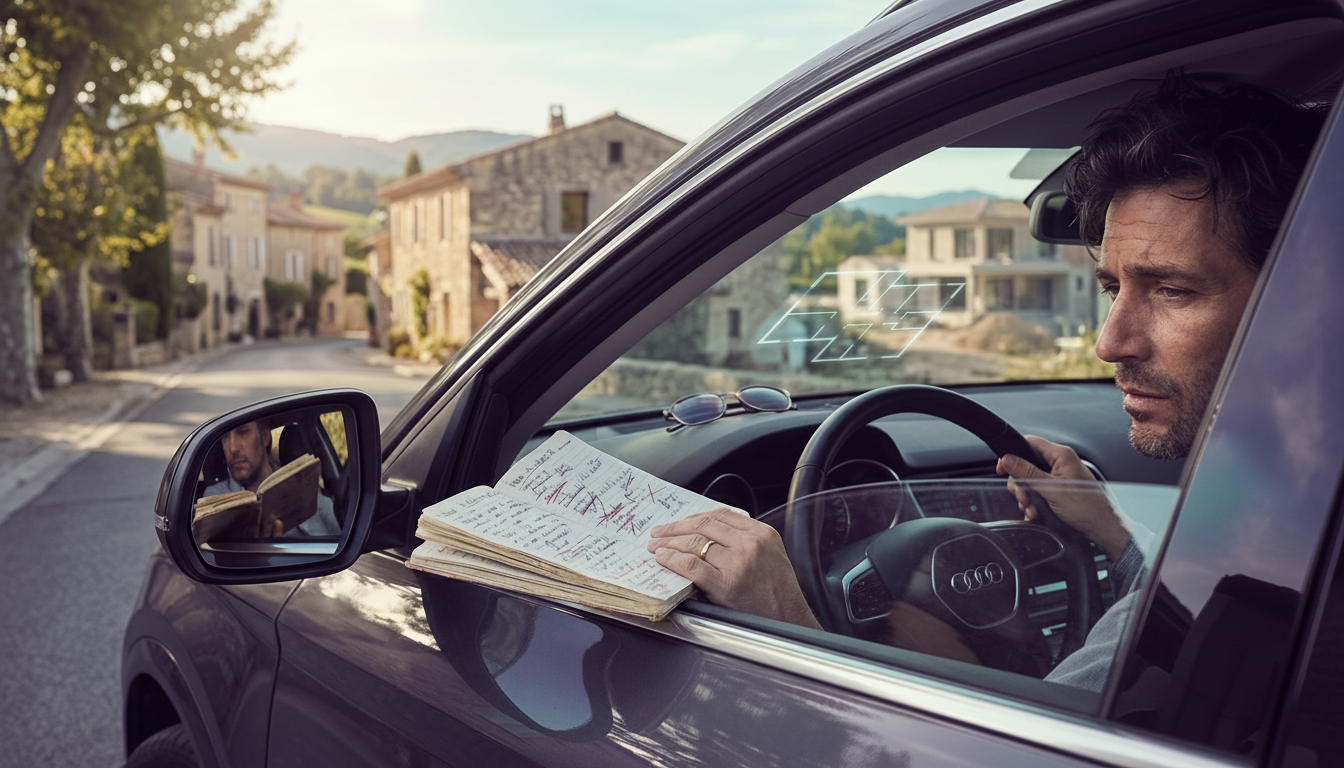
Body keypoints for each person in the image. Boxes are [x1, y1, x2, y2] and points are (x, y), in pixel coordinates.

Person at [646, 73, 1326, 686]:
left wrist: (789, 619)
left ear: (1308, 298)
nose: (1107, 342)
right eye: (1111, 287)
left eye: (1172, 289)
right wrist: (1115, 534)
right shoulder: (1288, 510)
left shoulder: (1270, 554)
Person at [202, 418, 341, 537]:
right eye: (225, 437)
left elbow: (341, 538)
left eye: (243, 432)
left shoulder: (304, 486)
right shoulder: (215, 499)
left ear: (265, 437)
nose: (232, 448)